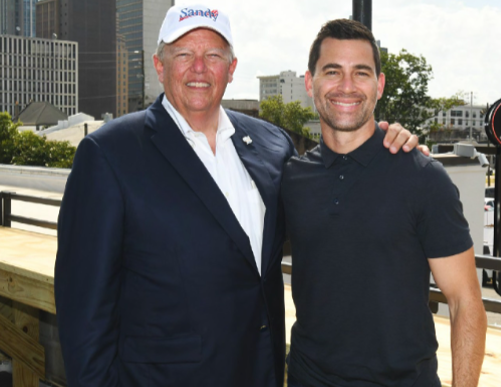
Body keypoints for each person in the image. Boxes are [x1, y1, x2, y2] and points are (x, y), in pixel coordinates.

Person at [54, 4, 420, 387]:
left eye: (213, 55)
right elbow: (84, 313)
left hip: (261, 372)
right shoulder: (109, 154)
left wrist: (390, 154)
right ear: (159, 66)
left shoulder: (271, 143)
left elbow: (328, 195)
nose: (199, 67)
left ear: (231, 69)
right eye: (183, 54)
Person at [282, 19, 487, 387]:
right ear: (310, 82)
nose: (347, 86)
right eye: (332, 71)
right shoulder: (292, 178)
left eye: (360, 73)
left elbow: (464, 302)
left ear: (379, 85)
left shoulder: (423, 177)